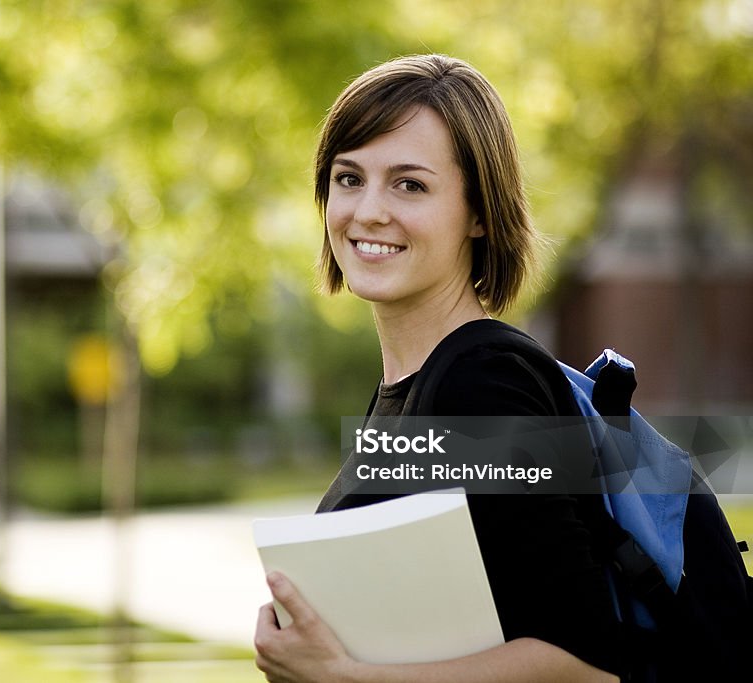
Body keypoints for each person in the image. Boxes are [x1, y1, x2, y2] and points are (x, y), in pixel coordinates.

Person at [253, 54, 623, 682]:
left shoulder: (480, 384)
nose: (367, 211)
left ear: (479, 213)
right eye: (348, 178)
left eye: (410, 184)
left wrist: (341, 678)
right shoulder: (414, 384)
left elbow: (587, 663)